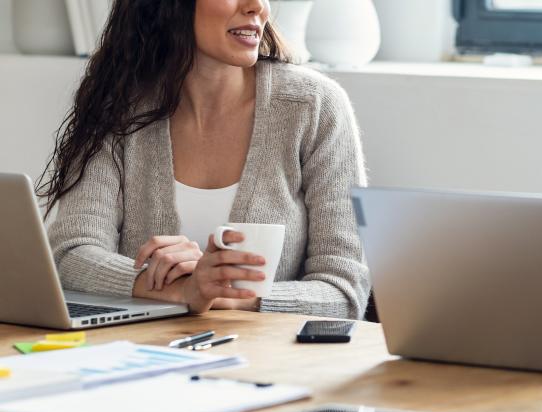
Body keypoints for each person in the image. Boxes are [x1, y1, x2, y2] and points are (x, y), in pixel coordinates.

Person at [38, 0, 369, 318]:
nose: (257, 6)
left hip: (270, 360)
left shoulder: (314, 107)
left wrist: (222, 293)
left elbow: (344, 291)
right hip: (142, 356)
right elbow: (72, 254)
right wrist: (178, 289)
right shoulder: (119, 104)